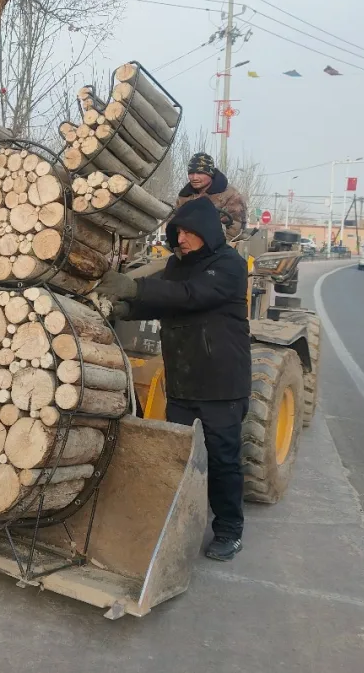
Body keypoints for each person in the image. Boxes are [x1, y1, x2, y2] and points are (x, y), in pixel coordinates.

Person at [96, 195, 251, 561]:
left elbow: (190, 295)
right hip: (183, 381)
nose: (181, 238)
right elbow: (164, 300)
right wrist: (126, 308)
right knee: (181, 457)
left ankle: (229, 530)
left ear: (207, 230)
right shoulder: (177, 266)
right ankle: (182, 523)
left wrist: (135, 287)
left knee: (223, 460)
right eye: (177, 232)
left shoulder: (229, 265)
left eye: (188, 232)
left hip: (221, 384)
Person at [175, 152, 247, 240]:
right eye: (191, 173)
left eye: (200, 173)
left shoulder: (230, 195)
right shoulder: (183, 197)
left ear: (210, 173)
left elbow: (234, 229)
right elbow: (174, 224)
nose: (194, 178)